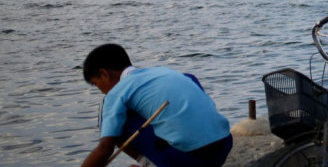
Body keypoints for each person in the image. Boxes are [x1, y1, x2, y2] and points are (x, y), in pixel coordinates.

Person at [80, 44, 233, 167]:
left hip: (191, 159)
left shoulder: (116, 93)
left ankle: (151, 164)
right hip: (224, 147)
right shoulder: (163, 72)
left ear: (104, 74)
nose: (101, 91)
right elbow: (191, 82)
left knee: (111, 119)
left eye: (97, 84)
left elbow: (105, 149)